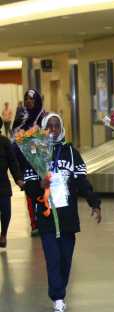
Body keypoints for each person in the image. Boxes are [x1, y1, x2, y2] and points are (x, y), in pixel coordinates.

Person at [19, 113, 102, 312]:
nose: (53, 130)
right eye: (50, 126)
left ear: (62, 128)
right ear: (44, 129)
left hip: (67, 216)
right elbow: (28, 187)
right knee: (53, 259)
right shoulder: (35, 152)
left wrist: (94, 202)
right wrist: (39, 186)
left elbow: (82, 181)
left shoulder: (72, 153)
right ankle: (58, 300)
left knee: (65, 258)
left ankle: (59, 292)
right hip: (47, 216)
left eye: (57, 126)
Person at [13, 89, 47, 235]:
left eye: (31, 99)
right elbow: (15, 137)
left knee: (42, 192)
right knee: (30, 194)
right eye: (26, 98)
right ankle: (34, 224)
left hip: (40, 163)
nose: (28, 101)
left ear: (37, 100)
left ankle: (44, 221)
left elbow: (48, 136)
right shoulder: (20, 117)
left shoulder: (44, 117)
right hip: (25, 163)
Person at [0, 118, 24, 248]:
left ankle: (3, 234)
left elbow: (13, 163)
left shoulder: (5, 142)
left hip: (2, 183)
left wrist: (19, 179)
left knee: (6, 211)